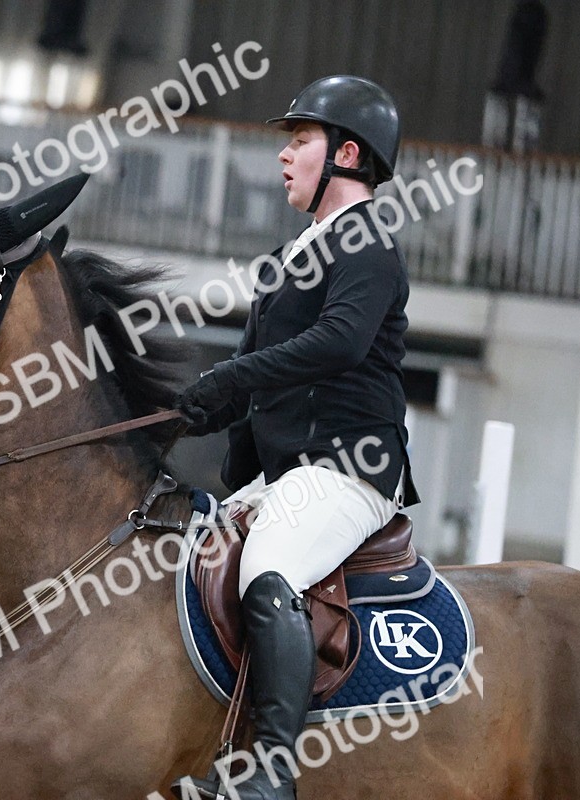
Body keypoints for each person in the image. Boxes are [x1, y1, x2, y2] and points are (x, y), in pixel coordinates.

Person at [171, 75, 420, 800]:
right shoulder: (290, 261)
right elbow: (259, 387)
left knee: (268, 569)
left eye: (299, 140)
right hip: (289, 473)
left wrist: (230, 377)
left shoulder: (367, 242)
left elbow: (340, 343)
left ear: (346, 153)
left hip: (351, 469)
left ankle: (271, 772)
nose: (284, 157)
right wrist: (206, 414)